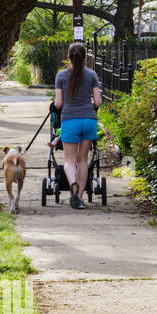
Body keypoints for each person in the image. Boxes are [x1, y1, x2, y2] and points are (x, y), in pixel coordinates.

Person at [53, 42, 101, 210]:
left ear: (68, 57)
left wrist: (55, 104)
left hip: (70, 121)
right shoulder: (92, 75)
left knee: (69, 161)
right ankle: (79, 197)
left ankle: (72, 182)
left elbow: (58, 103)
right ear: (85, 57)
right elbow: (98, 102)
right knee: (82, 161)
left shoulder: (61, 76)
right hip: (88, 120)